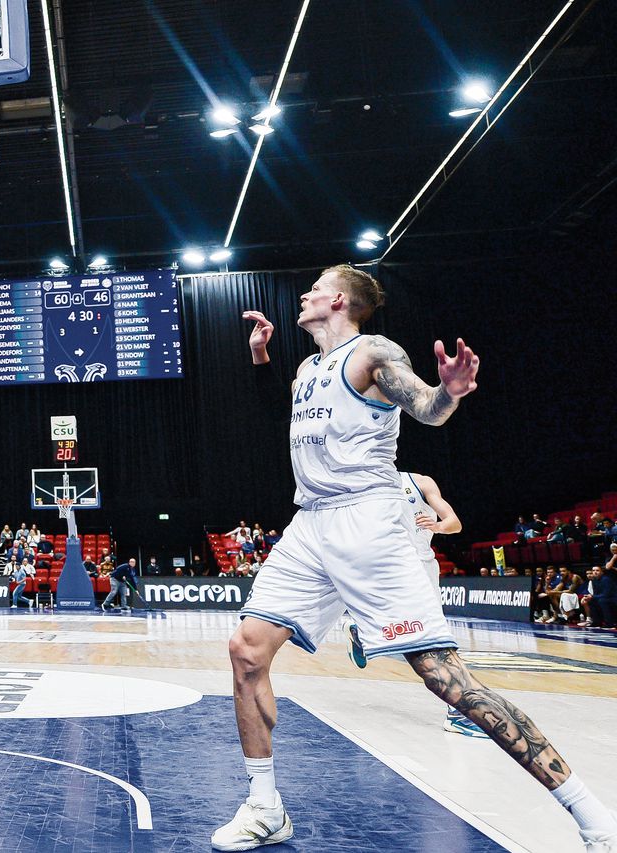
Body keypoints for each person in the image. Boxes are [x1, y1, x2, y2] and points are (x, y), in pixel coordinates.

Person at [217, 266, 616, 851]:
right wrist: (259, 357)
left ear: (339, 300)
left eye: (314, 287)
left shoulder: (373, 352)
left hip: (368, 522)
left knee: (447, 682)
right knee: (246, 652)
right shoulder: (306, 367)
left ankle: (592, 816)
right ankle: (265, 805)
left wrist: (448, 392)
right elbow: (278, 410)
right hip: (311, 523)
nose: (303, 295)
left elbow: (425, 406)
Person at [344, 471, 485, 738]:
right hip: (387, 567)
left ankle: (360, 633)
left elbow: (455, 523)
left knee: (430, 636)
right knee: (436, 639)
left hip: (422, 567)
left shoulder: (421, 482)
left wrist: (439, 527)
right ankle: (457, 713)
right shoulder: (363, 484)